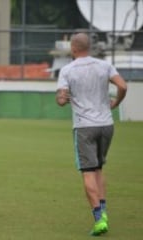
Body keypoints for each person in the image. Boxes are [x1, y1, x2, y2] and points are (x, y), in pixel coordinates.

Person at [56, 33, 127, 236]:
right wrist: (116, 103)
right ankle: (103, 210)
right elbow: (122, 85)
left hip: (84, 126)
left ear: (73, 48)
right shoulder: (104, 65)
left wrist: (61, 99)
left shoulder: (68, 70)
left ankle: (99, 218)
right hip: (106, 124)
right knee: (98, 168)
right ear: (90, 47)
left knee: (88, 171)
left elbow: (61, 99)